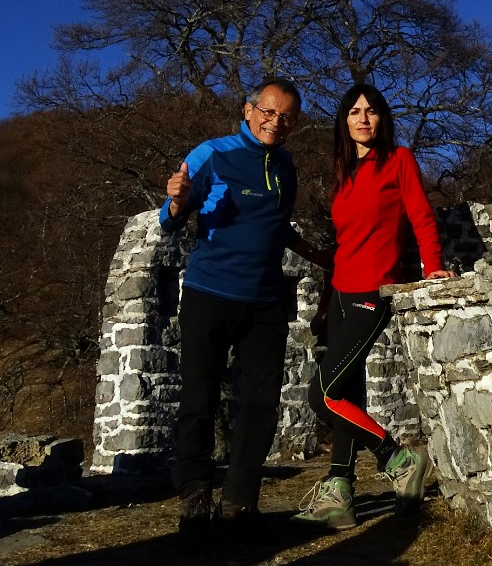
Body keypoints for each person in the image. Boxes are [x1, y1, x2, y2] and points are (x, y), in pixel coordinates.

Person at [161, 78, 329, 534]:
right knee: (199, 396)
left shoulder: (287, 166)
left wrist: (318, 254)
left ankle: (240, 502)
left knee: (260, 404)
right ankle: (195, 497)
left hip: (266, 301)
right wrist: (177, 202)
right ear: (248, 110)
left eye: (288, 116)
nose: (277, 122)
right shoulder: (212, 154)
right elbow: (170, 218)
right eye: (269, 112)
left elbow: (277, 227)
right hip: (209, 294)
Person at [293, 83, 453, 529]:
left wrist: (433, 264)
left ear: (382, 119)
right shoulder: (341, 172)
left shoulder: (398, 160)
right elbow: (347, 244)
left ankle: (398, 458)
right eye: (354, 112)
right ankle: (339, 492)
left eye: (372, 112)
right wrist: (303, 248)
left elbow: (421, 215)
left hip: (374, 291)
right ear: (344, 121)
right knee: (347, 393)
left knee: (323, 394)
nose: (363, 118)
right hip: (341, 292)